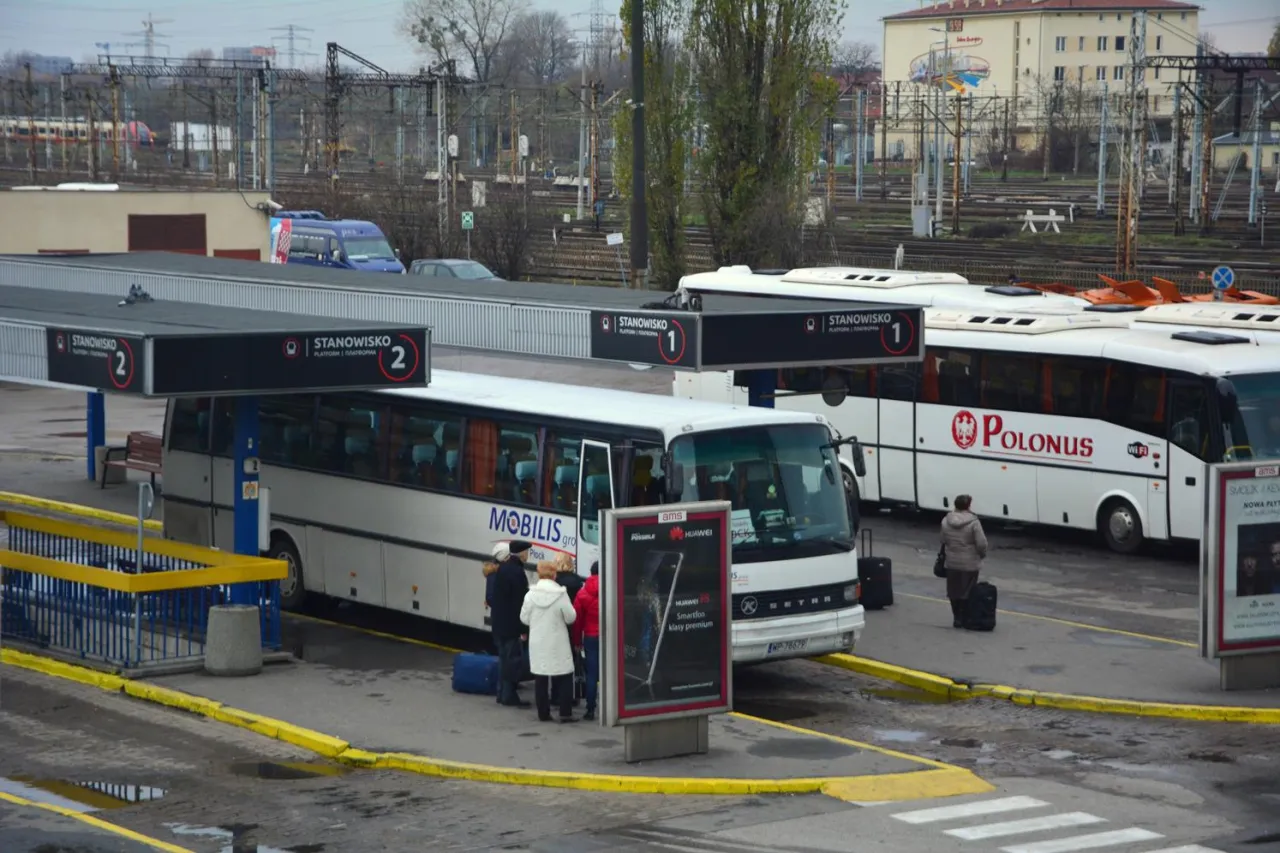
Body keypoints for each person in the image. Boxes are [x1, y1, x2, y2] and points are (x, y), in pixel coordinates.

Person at [520, 561, 578, 723]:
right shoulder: (560, 594)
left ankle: (543, 714)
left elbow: (524, 618)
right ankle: (565, 713)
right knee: (565, 674)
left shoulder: (530, 595)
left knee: (541, 677)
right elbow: (570, 617)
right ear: (554, 575)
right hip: (558, 640)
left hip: (538, 641)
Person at [489, 539, 533, 708]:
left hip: (499, 623)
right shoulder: (517, 572)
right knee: (512, 660)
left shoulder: (503, 569)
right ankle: (509, 695)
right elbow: (519, 603)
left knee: (503, 658)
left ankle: (501, 693)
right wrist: (524, 628)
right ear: (521, 553)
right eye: (527, 552)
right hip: (511, 625)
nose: (528, 555)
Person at [940, 494, 988, 628]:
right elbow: (981, 543)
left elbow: (943, 540)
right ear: (968, 505)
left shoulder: (946, 520)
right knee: (968, 591)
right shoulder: (974, 522)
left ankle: (957, 617)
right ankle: (965, 617)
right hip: (969, 563)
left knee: (953, 591)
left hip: (952, 562)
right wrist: (981, 555)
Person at [572, 561, 601, 721]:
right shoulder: (611, 591)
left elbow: (577, 622)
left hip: (590, 637)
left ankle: (590, 709)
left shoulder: (582, 594)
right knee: (611, 673)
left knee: (592, 673)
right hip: (609, 635)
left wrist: (577, 642)